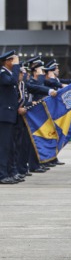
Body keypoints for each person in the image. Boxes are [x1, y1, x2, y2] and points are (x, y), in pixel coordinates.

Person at [0, 51, 21, 184]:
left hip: (10, 115)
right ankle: (2, 175)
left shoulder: (6, 74)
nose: (15, 63)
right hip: (4, 115)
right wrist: (17, 66)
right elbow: (13, 80)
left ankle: (8, 172)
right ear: (7, 61)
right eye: (13, 60)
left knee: (9, 146)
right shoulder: (2, 74)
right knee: (4, 147)